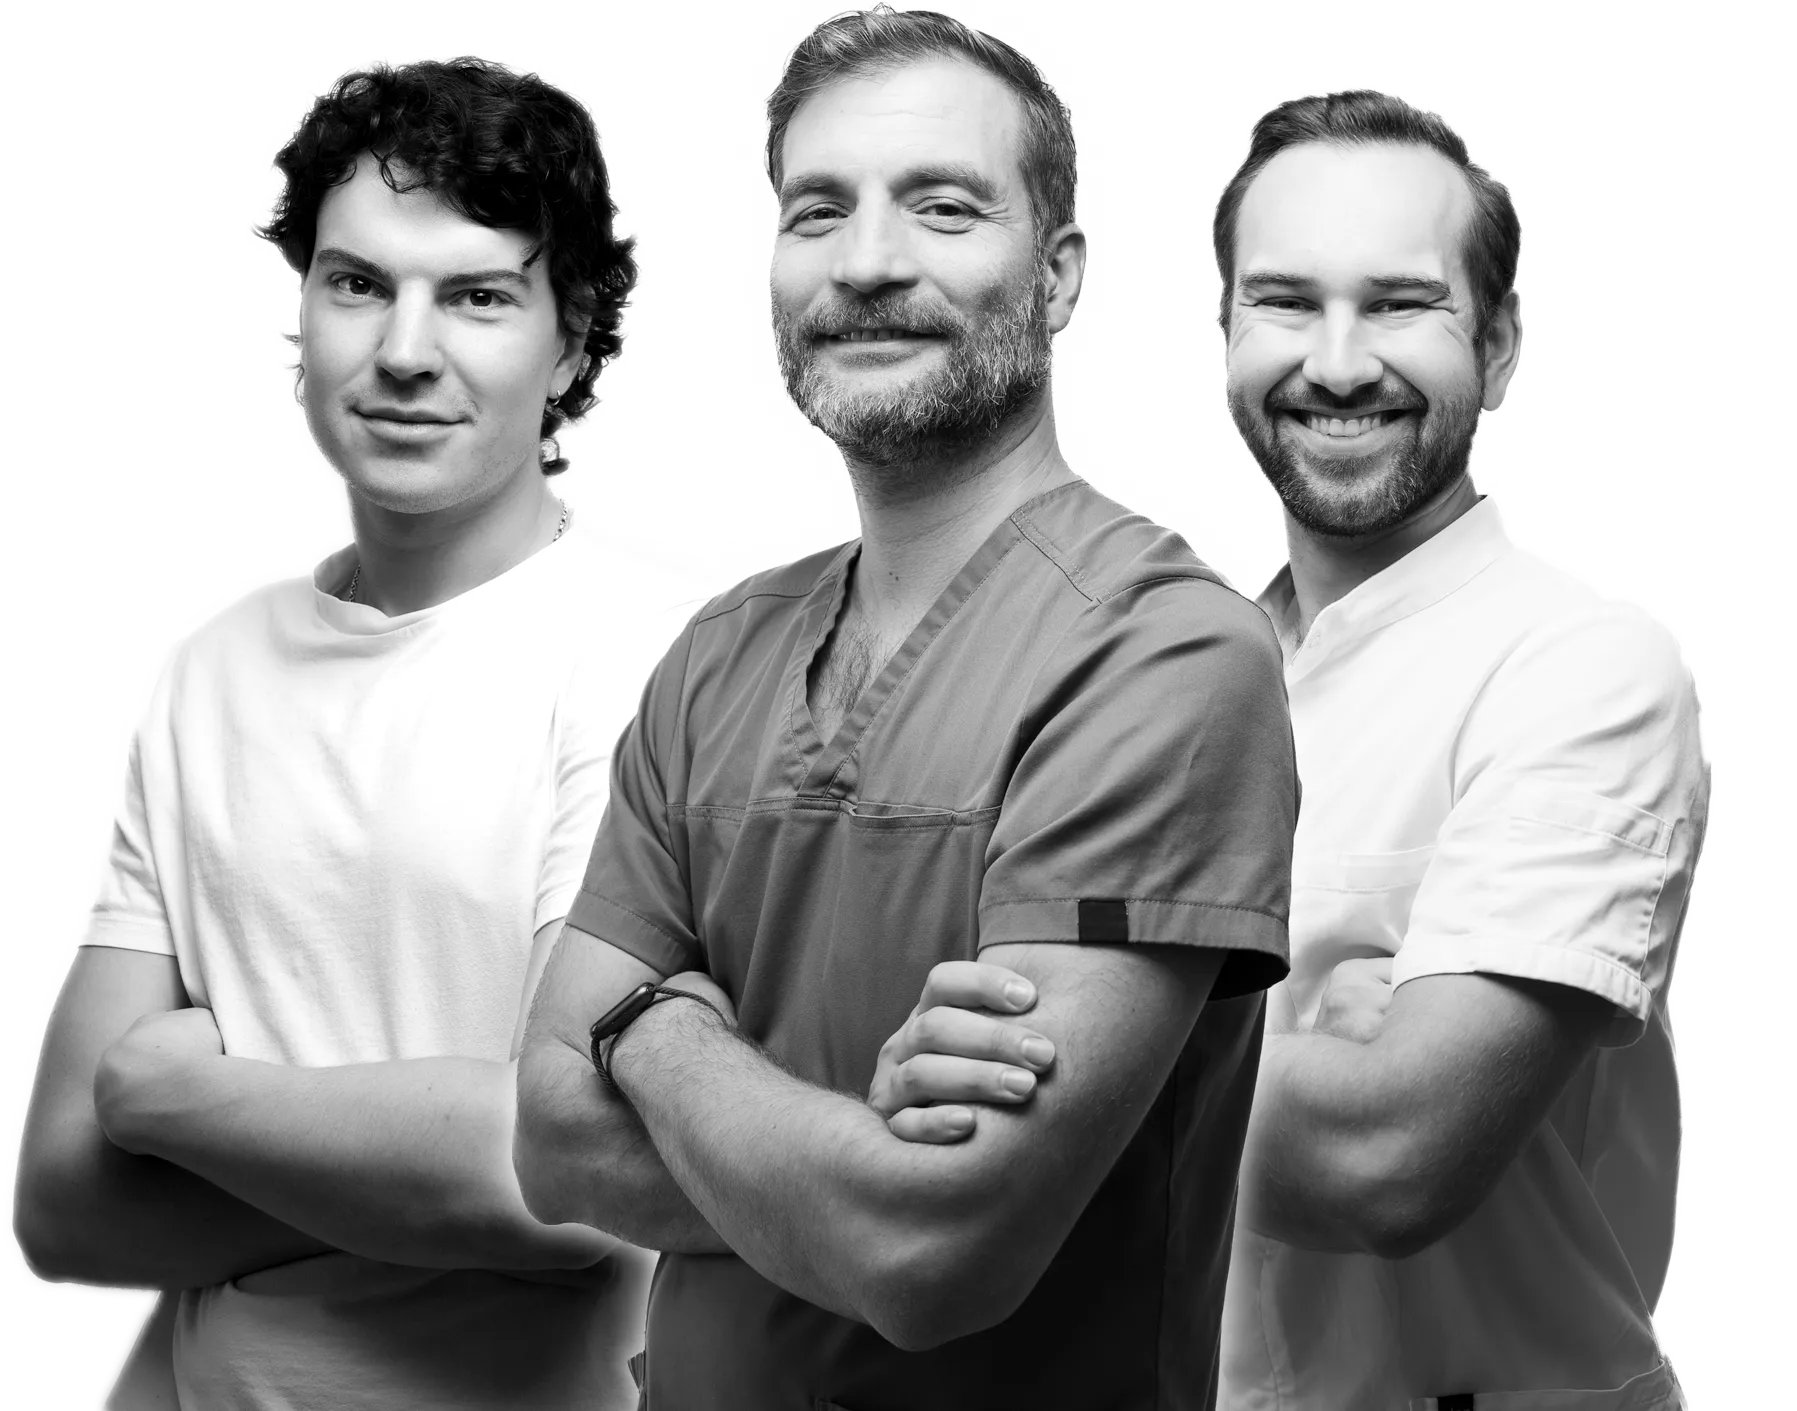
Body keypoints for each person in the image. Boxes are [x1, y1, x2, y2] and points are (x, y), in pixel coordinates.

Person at [511, 9, 1297, 1409]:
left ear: (1059, 277)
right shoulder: (717, 656)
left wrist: (657, 1032)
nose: (866, 262)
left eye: (942, 207)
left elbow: (933, 1249)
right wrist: (844, 1162)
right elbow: (551, 1141)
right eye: (818, 212)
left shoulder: (1164, 650)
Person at [908, 87, 1707, 1409]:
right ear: (1225, 329)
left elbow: (1388, 1153)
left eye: (1398, 304)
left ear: (1501, 340)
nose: (1337, 364)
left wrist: (1067, 1040)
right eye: (1285, 302)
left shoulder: (1583, 666)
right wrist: (1294, 1033)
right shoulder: (1147, 677)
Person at [17, 54, 671, 1410]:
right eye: (357, 283)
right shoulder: (209, 666)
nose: (405, 351)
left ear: (570, 342)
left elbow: (559, 1181)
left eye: (479, 296)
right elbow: (64, 1207)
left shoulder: (659, 648)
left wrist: (173, 1103)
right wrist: (420, 1169)